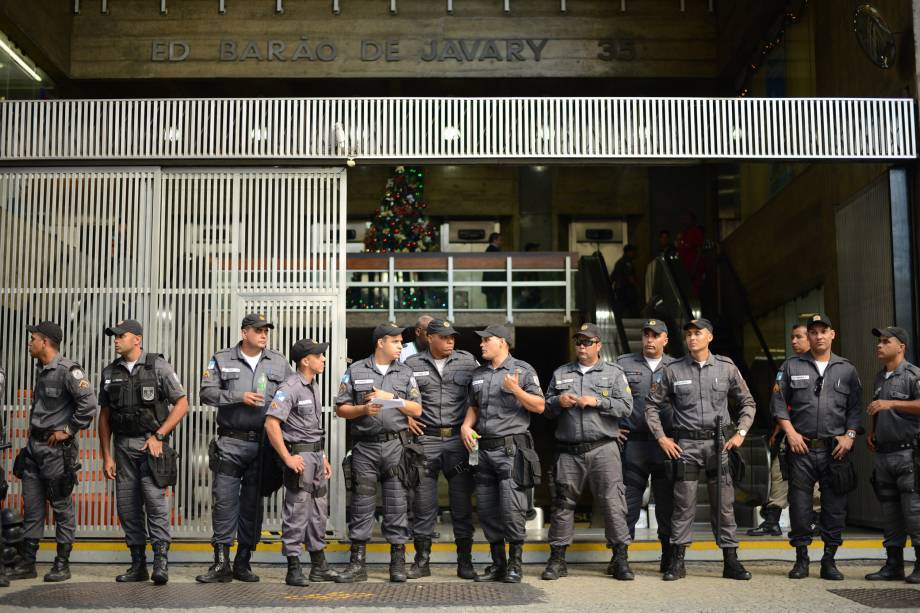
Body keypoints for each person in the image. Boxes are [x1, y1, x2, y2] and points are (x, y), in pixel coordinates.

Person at [645, 318, 754, 582]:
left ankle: (731, 561)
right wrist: (662, 438)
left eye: (698, 333)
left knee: (724, 505)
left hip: (719, 445)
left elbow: (747, 403)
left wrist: (740, 433)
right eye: (688, 334)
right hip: (687, 447)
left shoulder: (726, 368)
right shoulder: (673, 370)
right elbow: (651, 406)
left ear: (710, 337)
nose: (692, 338)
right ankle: (677, 562)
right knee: (683, 505)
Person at [196, 313, 292, 583]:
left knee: (252, 505)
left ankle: (243, 563)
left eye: (266, 331)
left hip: (263, 444)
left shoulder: (279, 362)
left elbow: (291, 395)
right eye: (258, 330)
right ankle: (221, 563)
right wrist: (239, 397)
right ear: (244, 333)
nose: (263, 335)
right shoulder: (222, 359)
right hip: (231, 441)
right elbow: (206, 392)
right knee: (224, 502)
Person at [772, 313, 862, 580]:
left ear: (832, 334)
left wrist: (850, 436)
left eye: (824, 331)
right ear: (808, 336)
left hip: (836, 450)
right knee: (799, 506)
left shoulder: (847, 369)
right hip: (802, 449)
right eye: (814, 332)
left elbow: (855, 409)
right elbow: (777, 403)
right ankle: (801, 560)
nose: (819, 335)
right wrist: (790, 433)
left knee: (834, 507)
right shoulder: (791, 366)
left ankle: (829, 561)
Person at [98, 319, 188, 585]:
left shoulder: (157, 366)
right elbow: (104, 417)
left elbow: (182, 403)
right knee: (127, 506)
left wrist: (160, 435)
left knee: (155, 504)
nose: (115, 340)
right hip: (123, 448)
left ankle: (160, 563)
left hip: (151, 446)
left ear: (137, 339)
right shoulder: (109, 372)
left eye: (120, 335)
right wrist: (106, 455)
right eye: (113, 336)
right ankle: (138, 565)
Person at [543, 323, 633, 581]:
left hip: (603, 448)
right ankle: (558, 559)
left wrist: (598, 401)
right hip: (568, 451)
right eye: (578, 342)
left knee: (613, 503)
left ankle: (619, 559)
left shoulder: (614, 373)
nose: (581, 347)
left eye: (587, 342)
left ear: (598, 345)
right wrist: (557, 402)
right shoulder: (561, 373)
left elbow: (627, 407)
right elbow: (546, 410)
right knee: (562, 504)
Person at [9, 321, 98, 582]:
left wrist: (68, 431)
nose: (30, 342)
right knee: (33, 505)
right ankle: (28, 561)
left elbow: (89, 404)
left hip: (55, 450)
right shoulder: (42, 369)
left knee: (61, 505)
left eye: (33, 338)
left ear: (45, 342)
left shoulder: (68, 371)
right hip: (35, 448)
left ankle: (62, 562)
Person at [334, 322, 423, 583]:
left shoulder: (405, 373)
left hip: (396, 446)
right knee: (361, 505)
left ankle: (397, 564)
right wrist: (362, 410)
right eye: (395, 342)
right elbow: (341, 408)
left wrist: (390, 397)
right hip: (365, 447)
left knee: (397, 504)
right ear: (380, 342)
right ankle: (357, 564)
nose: (400, 346)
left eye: (401, 342)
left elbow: (417, 410)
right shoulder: (356, 369)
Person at [460, 324, 545, 583]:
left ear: (503, 342)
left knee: (511, 509)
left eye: (487, 340)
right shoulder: (478, 373)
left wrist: (516, 390)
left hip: (511, 450)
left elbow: (540, 406)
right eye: (482, 340)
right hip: (483, 451)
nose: (482, 344)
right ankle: (498, 564)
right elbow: (473, 406)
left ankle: (515, 566)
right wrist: (466, 425)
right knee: (486, 510)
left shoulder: (522, 370)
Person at [404, 319, 479, 580]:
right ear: (430, 337)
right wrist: (406, 418)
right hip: (426, 441)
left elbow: (479, 396)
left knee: (461, 503)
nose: (450, 342)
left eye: (453, 338)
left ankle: (465, 561)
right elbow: (398, 395)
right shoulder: (412, 364)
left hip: (458, 443)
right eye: (445, 337)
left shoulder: (468, 361)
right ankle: (422, 561)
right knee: (423, 504)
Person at [265, 338, 338, 586]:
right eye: (319, 356)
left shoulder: (313, 385)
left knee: (318, 512)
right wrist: (287, 457)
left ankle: (319, 566)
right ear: (306, 360)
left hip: (316, 456)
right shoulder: (291, 386)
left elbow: (313, 426)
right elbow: (271, 423)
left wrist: (324, 456)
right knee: (297, 511)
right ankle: (293, 567)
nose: (324, 359)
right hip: (300, 458)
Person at [748, 324, 820, 537]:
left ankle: (817, 520)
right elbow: (779, 401)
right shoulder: (788, 366)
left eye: (799, 337)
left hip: (815, 436)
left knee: (815, 482)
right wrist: (780, 428)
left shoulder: (826, 367)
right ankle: (772, 520)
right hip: (788, 434)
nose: (794, 341)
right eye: (792, 337)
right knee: (779, 474)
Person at [617, 319, 676, 573]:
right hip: (634, 443)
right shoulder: (622, 364)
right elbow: (609, 396)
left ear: (665, 339)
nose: (650, 340)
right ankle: (620, 557)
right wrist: (612, 426)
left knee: (666, 504)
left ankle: (668, 556)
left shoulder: (677, 366)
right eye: (646, 335)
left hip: (666, 445)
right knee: (628, 504)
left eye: (656, 336)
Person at [864, 326, 920, 583]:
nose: (879, 345)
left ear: (901, 347)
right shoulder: (879, 378)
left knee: (914, 512)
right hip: (884, 456)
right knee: (890, 514)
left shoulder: (912, 375)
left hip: (908, 454)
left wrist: (892, 403)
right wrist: (874, 432)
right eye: (879, 341)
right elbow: (878, 409)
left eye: (886, 341)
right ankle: (893, 565)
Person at [611, 244, 640, 318]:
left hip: (619, 290)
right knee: (632, 309)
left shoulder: (619, 262)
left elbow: (613, 276)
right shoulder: (627, 263)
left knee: (620, 309)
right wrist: (637, 287)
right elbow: (629, 277)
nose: (634, 254)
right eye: (633, 252)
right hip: (626, 291)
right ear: (628, 252)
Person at [483, 233, 505, 310]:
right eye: (500, 240)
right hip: (494, 285)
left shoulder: (490, 250)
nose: (501, 242)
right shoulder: (493, 251)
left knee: (493, 305)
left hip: (492, 285)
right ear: (494, 240)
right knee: (494, 307)